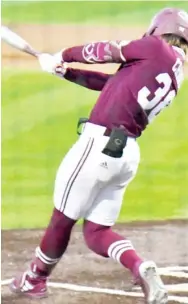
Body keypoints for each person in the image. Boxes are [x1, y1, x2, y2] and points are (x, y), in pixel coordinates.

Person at [10, 8, 188, 304]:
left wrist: (64, 54)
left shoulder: (154, 47)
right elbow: (110, 87)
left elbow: (106, 51)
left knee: (61, 219)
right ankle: (139, 266)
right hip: (126, 154)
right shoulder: (174, 70)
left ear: (159, 29)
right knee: (96, 231)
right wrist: (65, 71)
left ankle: (35, 279)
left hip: (98, 146)